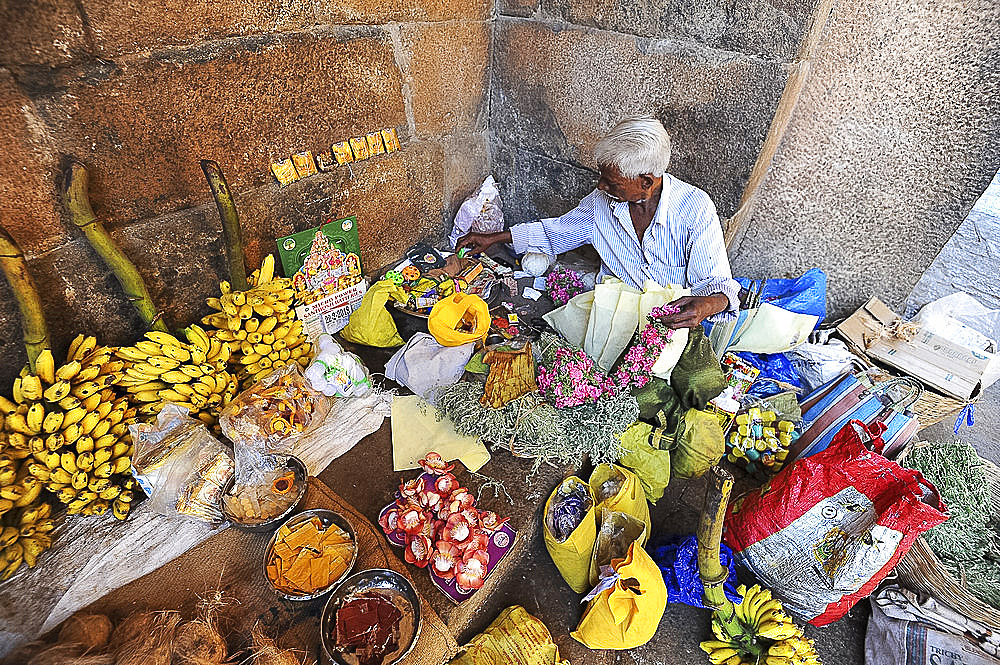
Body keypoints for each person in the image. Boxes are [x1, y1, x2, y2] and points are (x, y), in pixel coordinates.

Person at [457, 117, 740, 328]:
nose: (601, 186)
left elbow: (717, 282)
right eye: (601, 176)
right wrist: (493, 238)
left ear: (646, 182)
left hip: (669, 324)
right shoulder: (600, 203)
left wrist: (707, 305)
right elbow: (555, 232)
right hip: (612, 314)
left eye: (611, 181)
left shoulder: (695, 208)